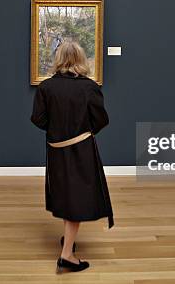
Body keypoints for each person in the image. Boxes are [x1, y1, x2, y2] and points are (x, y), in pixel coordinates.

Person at [30, 41, 114, 274]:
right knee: (77, 198)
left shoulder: (46, 87)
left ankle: (68, 241)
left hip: (55, 149)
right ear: (80, 59)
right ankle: (66, 256)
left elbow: (38, 119)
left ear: (59, 59)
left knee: (66, 194)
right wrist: (82, 132)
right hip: (80, 149)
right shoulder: (89, 87)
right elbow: (101, 120)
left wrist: (57, 131)